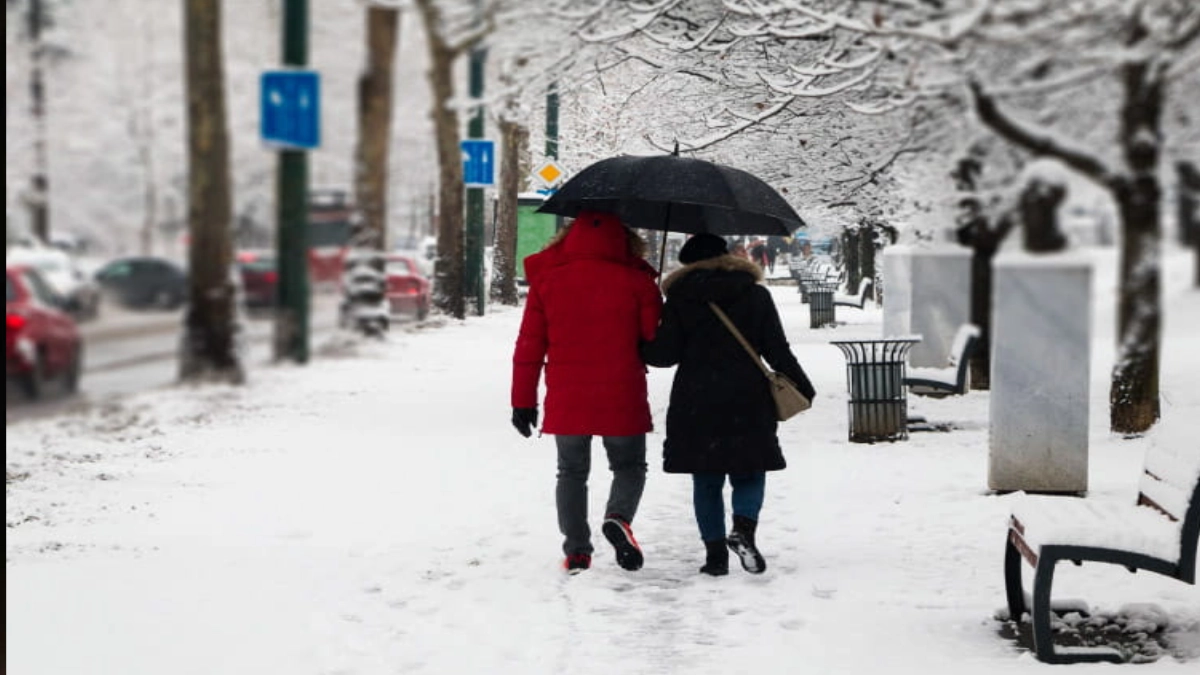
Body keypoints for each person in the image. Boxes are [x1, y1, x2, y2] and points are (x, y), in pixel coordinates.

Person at [640, 233, 815, 576]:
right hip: (748, 395)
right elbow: (776, 348)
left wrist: (646, 337)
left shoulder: (681, 297)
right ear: (727, 256)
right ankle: (744, 529)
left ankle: (715, 557)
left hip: (696, 398)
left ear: (688, 264)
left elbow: (664, 355)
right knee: (750, 468)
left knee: (706, 478)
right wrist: (802, 385)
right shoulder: (755, 294)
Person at [510, 210, 664, 575]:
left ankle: (577, 551)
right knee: (629, 466)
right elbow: (652, 339)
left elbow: (529, 346)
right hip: (622, 393)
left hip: (568, 397)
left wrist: (523, 401)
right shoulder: (637, 281)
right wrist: (651, 295)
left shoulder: (548, 281)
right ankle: (618, 517)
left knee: (571, 472)